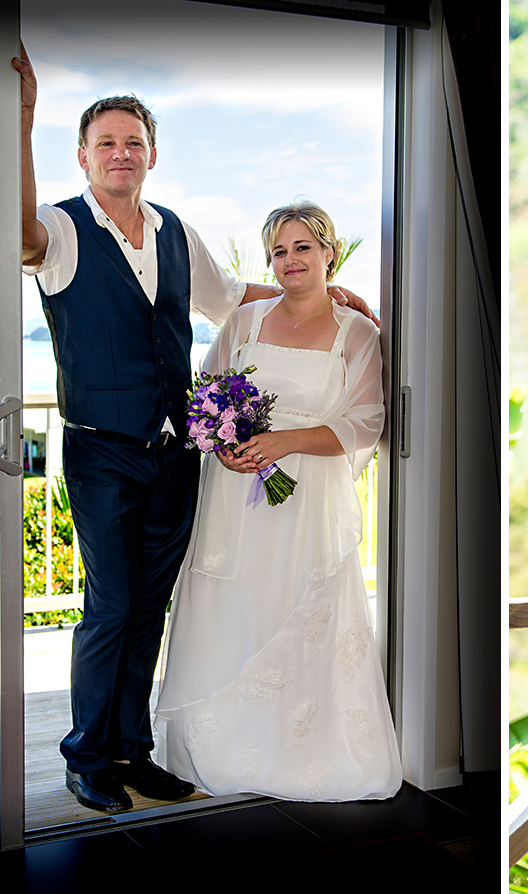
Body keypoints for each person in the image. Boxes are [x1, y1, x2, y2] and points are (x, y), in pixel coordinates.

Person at [0, 22, 376, 814]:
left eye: (133, 142)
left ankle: (132, 749)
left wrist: (322, 293)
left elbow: (233, 298)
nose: (121, 153)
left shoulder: (173, 232)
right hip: (101, 453)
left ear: (152, 154)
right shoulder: (60, 230)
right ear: (84, 157)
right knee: (112, 606)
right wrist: (17, 115)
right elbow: (14, 234)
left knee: (150, 607)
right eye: (106, 143)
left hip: (175, 457)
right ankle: (87, 755)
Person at [154, 201, 401, 801]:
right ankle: (213, 747)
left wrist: (282, 442)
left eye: (304, 248)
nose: (291, 261)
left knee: (296, 603)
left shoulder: (358, 332)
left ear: (329, 254)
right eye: (280, 251)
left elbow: (365, 421)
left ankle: (299, 752)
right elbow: (205, 395)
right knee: (232, 603)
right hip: (235, 493)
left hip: (308, 493)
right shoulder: (244, 322)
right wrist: (223, 444)